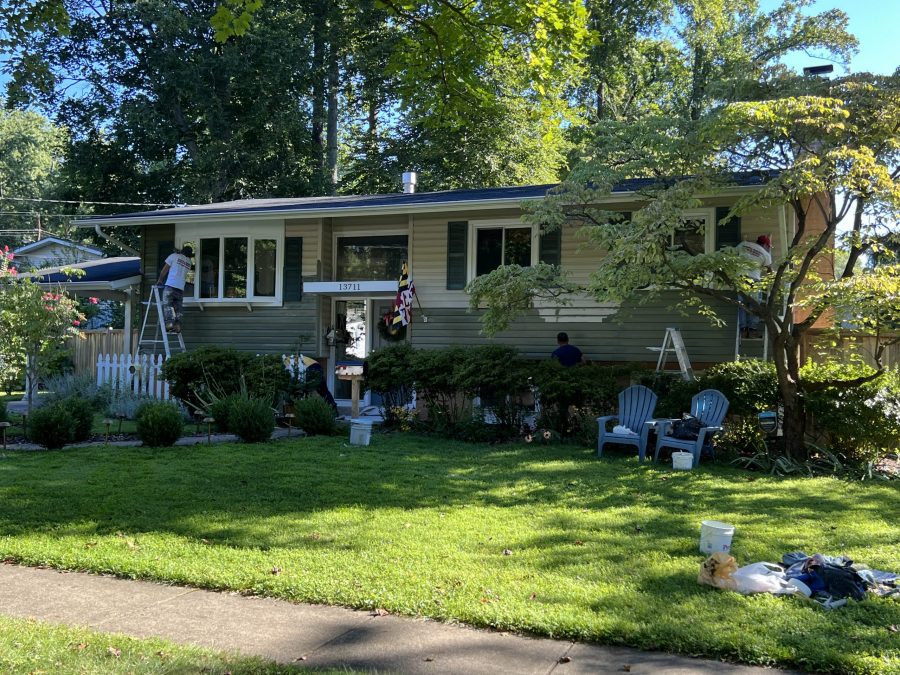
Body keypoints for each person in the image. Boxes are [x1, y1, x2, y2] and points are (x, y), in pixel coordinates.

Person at [736, 235, 773, 339]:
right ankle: (752, 330)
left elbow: (733, 255)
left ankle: (743, 331)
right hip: (754, 281)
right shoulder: (766, 254)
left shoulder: (744, 245)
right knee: (755, 305)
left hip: (740, 279)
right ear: (766, 245)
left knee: (742, 305)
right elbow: (769, 271)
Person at [156, 244, 193, 333]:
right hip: (180, 288)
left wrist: (160, 280)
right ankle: (178, 326)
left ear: (182, 251)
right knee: (178, 308)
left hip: (171, 285)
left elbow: (164, 270)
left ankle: (169, 325)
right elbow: (181, 260)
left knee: (167, 305)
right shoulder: (189, 262)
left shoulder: (173, 256)